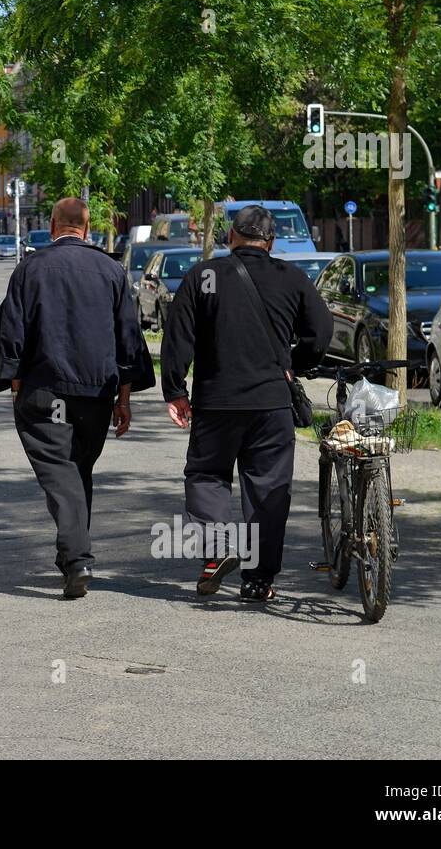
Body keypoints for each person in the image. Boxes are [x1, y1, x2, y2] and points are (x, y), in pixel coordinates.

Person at [0, 197, 155, 599]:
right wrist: (124, 398)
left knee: (62, 473)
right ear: (86, 229)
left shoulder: (30, 269)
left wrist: (14, 383)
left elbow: (12, 332)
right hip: (97, 392)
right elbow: (129, 338)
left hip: (44, 389)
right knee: (76, 471)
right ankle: (70, 555)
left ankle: (76, 559)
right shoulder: (111, 270)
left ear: (53, 225)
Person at [160, 205, 333, 602]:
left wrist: (175, 390)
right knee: (268, 488)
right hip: (271, 403)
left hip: (216, 401)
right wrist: (296, 364)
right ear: (271, 242)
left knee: (207, 476)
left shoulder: (203, 276)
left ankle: (217, 551)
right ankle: (259, 580)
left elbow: (178, 335)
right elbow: (321, 333)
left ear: (231, 237)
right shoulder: (293, 278)